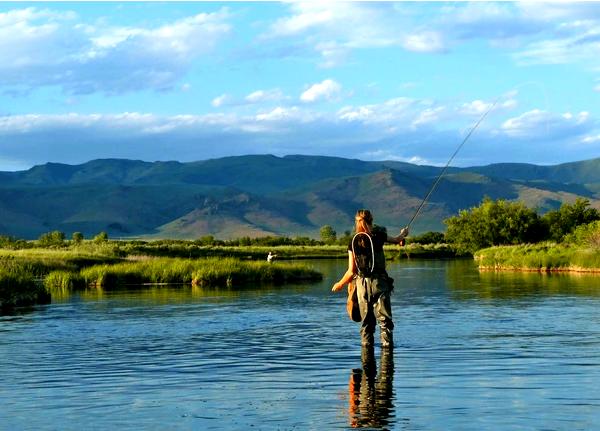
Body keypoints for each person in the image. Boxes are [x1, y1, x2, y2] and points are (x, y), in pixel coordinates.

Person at [332, 209, 408, 348]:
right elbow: (397, 240)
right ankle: (387, 350)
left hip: (361, 286)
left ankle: (366, 353)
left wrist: (340, 284)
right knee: (384, 320)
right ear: (371, 220)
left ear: (357, 222)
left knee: (366, 322)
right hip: (380, 283)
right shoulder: (378, 235)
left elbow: (351, 271)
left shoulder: (353, 242)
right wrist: (404, 233)